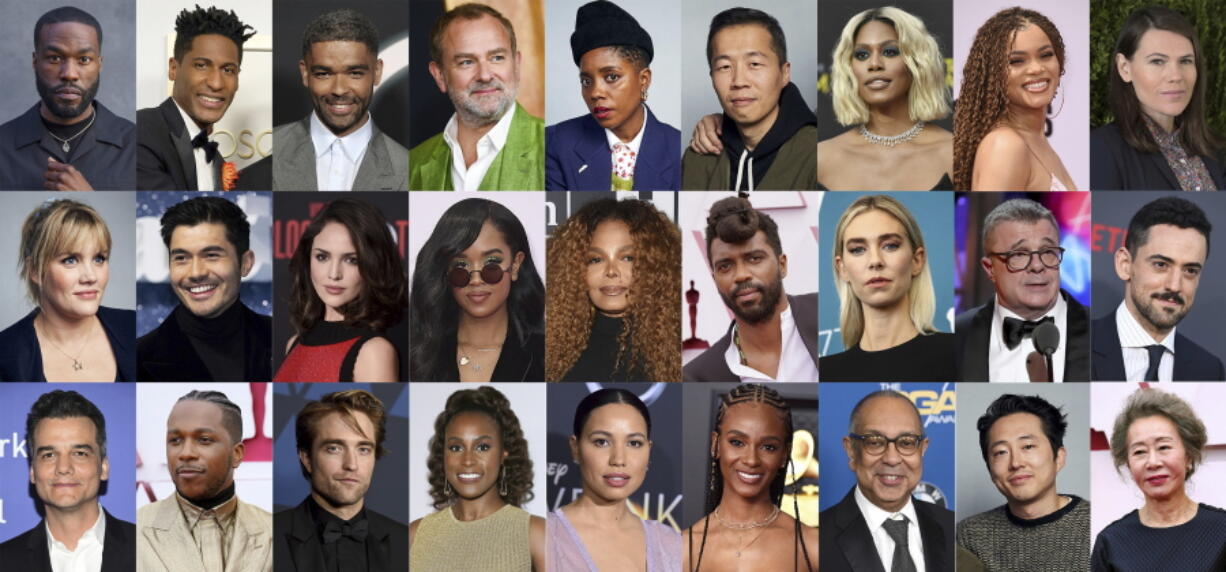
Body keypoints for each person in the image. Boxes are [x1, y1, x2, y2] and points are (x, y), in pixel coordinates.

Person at [545, 0, 680, 191]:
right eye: (586, 81)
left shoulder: (678, 148)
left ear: (644, 79)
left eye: (611, 77)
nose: (595, 93)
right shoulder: (555, 143)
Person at [410, 3, 544, 191]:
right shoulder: (413, 164)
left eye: (497, 58)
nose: (485, 75)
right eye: (466, 62)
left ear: (516, 64)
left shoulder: (554, 149)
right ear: (439, 75)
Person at [409, 386, 545, 571]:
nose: (467, 460)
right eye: (456, 448)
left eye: (482, 447)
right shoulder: (416, 534)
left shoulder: (536, 534)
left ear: (504, 453)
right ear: (443, 455)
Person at [137, 196, 272, 381]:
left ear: (245, 263)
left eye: (211, 255)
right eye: (181, 258)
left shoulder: (287, 344)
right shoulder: (137, 357)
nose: (195, 273)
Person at [683, 383, 816, 571]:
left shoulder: (811, 547)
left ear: (784, 455)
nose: (751, 460)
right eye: (737, 442)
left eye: (768, 446)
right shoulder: (684, 548)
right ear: (716, 444)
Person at [683, 196, 817, 382]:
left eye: (754, 258)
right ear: (714, 279)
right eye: (725, 266)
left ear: (782, 265)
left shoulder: (830, 316)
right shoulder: (697, 377)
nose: (741, 275)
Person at [817, 7, 953, 191]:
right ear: (850, 68)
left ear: (917, 63)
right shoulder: (822, 157)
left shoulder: (953, 152)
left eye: (890, 52)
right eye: (862, 55)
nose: (874, 64)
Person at [0, 7, 135, 190]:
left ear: (99, 64)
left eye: (84, 59)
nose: (70, 74)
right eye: (54, 58)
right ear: (35, 62)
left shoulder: (137, 144)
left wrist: (88, 197)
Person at [681, 8, 816, 191]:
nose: (739, 81)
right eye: (725, 66)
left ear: (784, 73)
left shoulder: (818, 154)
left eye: (754, 64)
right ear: (712, 77)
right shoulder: (697, 158)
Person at [820, 195, 954, 381]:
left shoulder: (959, 355)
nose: (875, 261)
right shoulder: (825, 372)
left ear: (917, 260)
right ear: (842, 268)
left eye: (890, 246)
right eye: (858, 249)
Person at [272, 9, 408, 191]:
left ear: (377, 72)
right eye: (324, 74)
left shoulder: (407, 168)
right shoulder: (270, 151)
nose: (339, 89)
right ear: (305, 73)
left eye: (355, 74)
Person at [410, 198, 544, 382]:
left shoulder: (547, 353)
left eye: (491, 264)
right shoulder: (416, 354)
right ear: (445, 271)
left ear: (515, 265)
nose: (475, 280)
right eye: (460, 265)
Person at [137, 390, 273, 572]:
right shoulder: (134, 531)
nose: (186, 453)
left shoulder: (274, 533)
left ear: (237, 454)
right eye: (175, 440)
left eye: (204, 440)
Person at [1091, 388, 1226, 571]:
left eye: (1163, 447)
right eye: (1139, 452)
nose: (1152, 462)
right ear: (1129, 465)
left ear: (1188, 456)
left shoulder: (1221, 530)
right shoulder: (1111, 542)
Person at [955, 199, 1089, 382]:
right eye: (1019, 254)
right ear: (990, 268)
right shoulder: (954, 338)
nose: (1037, 266)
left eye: (1048, 252)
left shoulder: (1102, 334)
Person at [1091, 6, 1224, 191]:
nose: (1176, 76)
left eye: (1185, 61)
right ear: (1124, 68)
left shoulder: (1214, 148)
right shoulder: (1101, 150)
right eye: (1157, 61)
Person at [547, 198, 680, 382]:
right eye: (595, 259)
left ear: (654, 266)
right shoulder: (551, 351)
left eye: (627, 258)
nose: (611, 271)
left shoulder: (679, 350)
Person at [0, 390, 135, 571]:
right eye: (49, 455)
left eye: (79, 454)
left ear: (103, 468)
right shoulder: (5, 560)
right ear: (32, 471)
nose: (63, 468)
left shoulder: (148, 549)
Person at [273, 390, 407, 572]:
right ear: (306, 458)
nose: (351, 465)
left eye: (363, 449)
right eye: (334, 448)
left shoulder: (407, 541)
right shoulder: (269, 537)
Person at [0, 200, 134, 382]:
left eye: (99, 258)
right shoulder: (6, 353)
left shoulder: (133, 327)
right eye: (70, 260)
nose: (90, 276)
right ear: (34, 270)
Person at [1091, 196, 1223, 381]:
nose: (1175, 285)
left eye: (1190, 270)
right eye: (1161, 265)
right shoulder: (1076, 347)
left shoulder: (1209, 369)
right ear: (1125, 264)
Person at [820, 390, 954, 572]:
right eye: (875, 442)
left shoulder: (953, 528)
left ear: (922, 449)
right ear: (851, 450)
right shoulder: (818, 537)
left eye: (906, 443)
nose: (892, 459)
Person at [273, 199, 405, 383]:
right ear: (307, 259)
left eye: (352, 260)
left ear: (374, 265)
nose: (334, 274)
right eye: (322, 257)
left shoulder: (373, 351)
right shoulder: (294, 343)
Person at [549, 388, 680, 571]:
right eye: (602, 442)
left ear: (648, 451)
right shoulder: (543, 537)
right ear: (575, 447)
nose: (618, 459)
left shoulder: (671, 543)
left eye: (634, 443)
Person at [956, 394, 1090, 571]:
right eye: (1001, 452)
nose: (1015, 463)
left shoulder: (1097, 524)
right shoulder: (970, 535)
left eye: (1027, 447)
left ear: (1059, 457)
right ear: (989, 467)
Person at [954, 8, 1076, 191]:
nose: (1036, 68)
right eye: (1017, 61)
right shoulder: (1005, 146)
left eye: (1046, 55)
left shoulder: (1035, 138)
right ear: (993, 73)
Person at [136, 5, 256, 190]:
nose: (216, 83)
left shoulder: (218, 161)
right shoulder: (142, 131)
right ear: (174, 68)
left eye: (228, 70)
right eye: (201, 65)